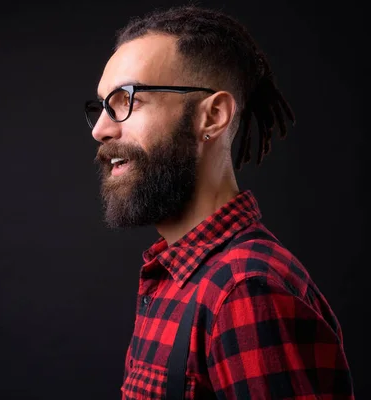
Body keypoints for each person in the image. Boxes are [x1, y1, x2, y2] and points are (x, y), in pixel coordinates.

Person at [84, 5, 354, 400]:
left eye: (126, 99)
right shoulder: (177, 275)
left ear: (212, 116)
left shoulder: (244, 291)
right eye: (101, 106)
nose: (100, 129)